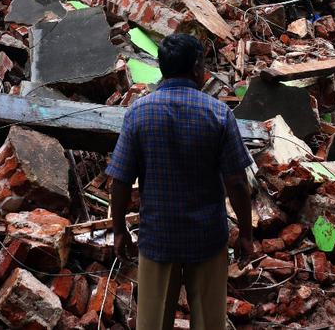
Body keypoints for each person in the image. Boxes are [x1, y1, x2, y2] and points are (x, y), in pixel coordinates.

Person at [107, 33, 255, 330]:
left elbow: (120, 181)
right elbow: (237, 182)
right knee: (210, 323)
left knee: (152, 322)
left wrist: (120, 229)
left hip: (158, 238)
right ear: (197, 68)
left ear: (162, 68)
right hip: (207, 240)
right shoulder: (218, 113)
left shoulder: (138, 113)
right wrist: (247, 233)